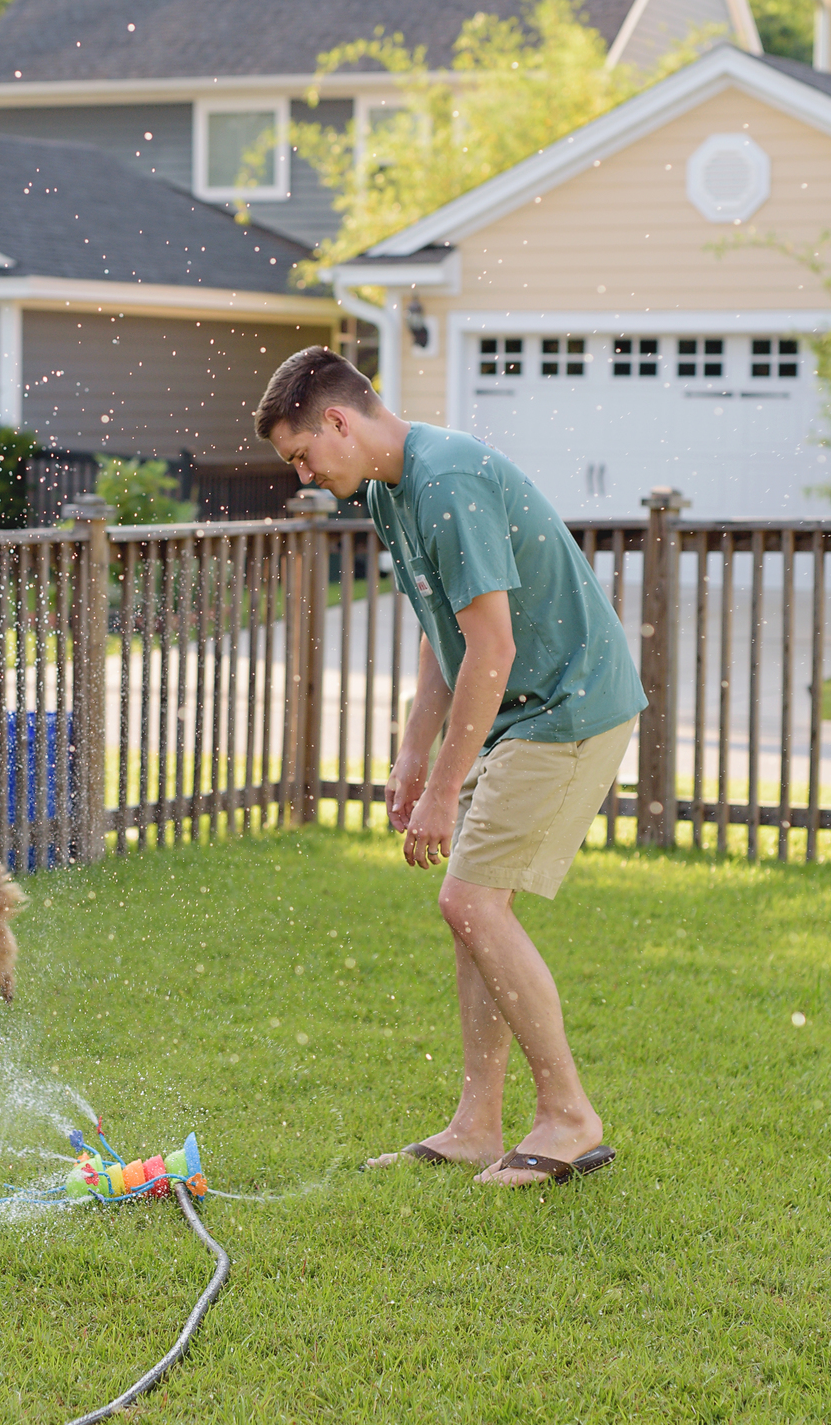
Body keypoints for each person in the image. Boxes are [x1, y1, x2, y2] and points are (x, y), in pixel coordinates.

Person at [255, 346, 641, 1187]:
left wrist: (439, 790)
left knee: (468, 899)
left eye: (303, 455)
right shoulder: (394, 490)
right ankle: (477, 1122)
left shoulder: (444, 481)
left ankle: (570, 1116)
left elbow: (493, 646)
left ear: (337, 421)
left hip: (566, 705)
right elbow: (447, 629)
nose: (306, 474)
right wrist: (412, 746)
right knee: (472, 906)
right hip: (522, 708)